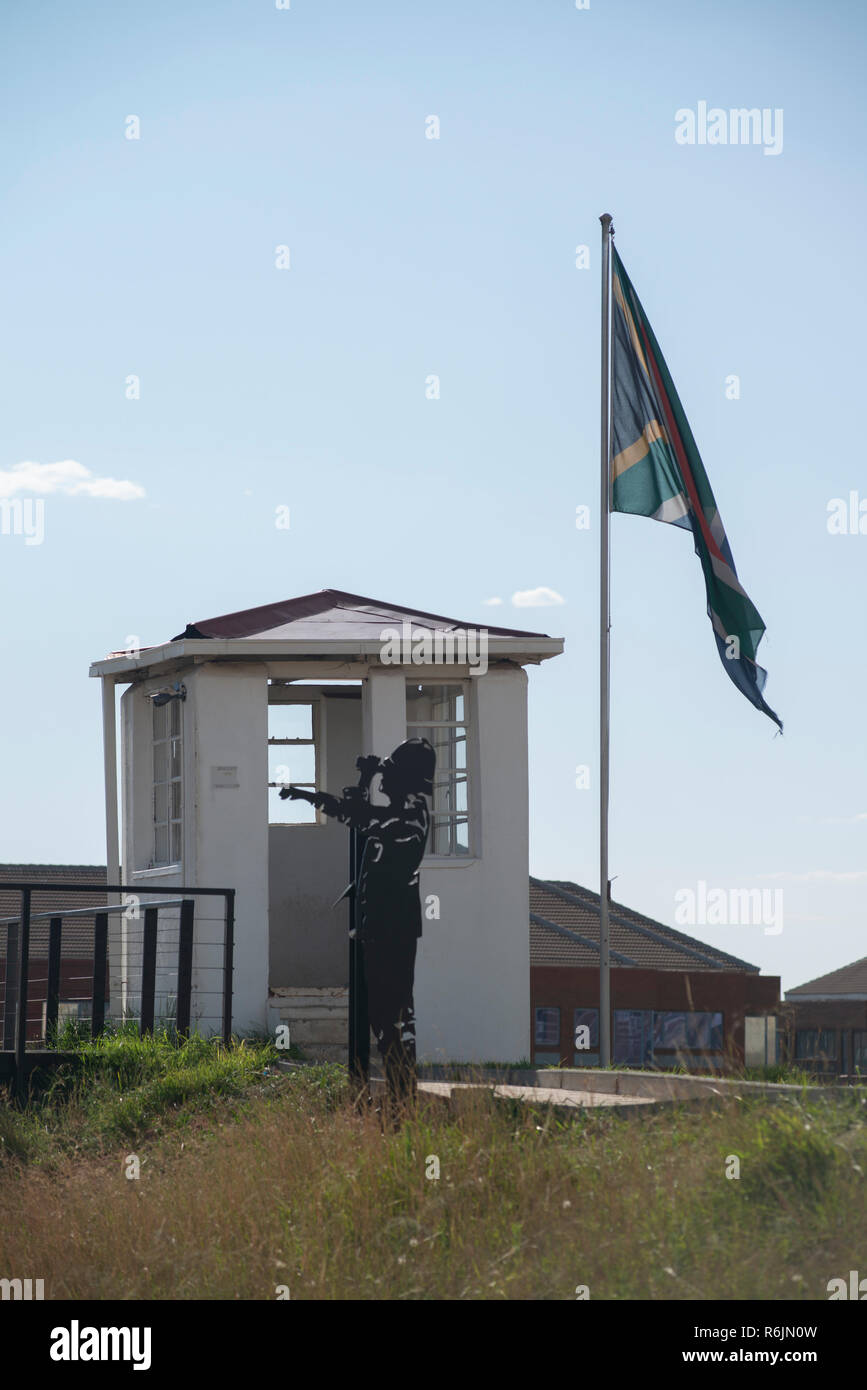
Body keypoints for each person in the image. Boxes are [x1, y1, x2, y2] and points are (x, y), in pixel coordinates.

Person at [280, 737, 435, 1105]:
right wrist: (369, 778)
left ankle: (402, 1098)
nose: (386, 783)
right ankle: (397, 1097)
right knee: (384, 1019)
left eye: (392, 776)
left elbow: (361, 818)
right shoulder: (400, 810)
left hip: (393, 931)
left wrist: (312, 797)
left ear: (407, 781)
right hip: (379, 928)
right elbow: (361, 815)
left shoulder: (410, 817)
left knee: (394, 1019)